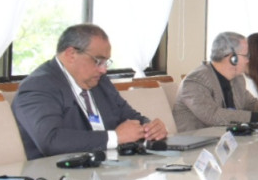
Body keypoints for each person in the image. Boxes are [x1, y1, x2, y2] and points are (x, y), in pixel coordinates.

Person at [11, 24, 168, 159]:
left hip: (106, 173)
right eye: (98, 61)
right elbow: (51, 141)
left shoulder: (100, 82)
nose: (104, 70)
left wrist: (149, 127)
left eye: (106, 62)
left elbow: (130, 117)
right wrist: (115, 137)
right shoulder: (39, 86)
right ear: (71, 54)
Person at [173, 32, 258, 132]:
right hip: (198, 149)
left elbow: (249, 103)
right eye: (246, 55)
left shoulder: (237, 79)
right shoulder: (195, 81)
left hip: (225, 145)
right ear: (232, 58)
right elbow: (214, 116)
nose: (248, 60)